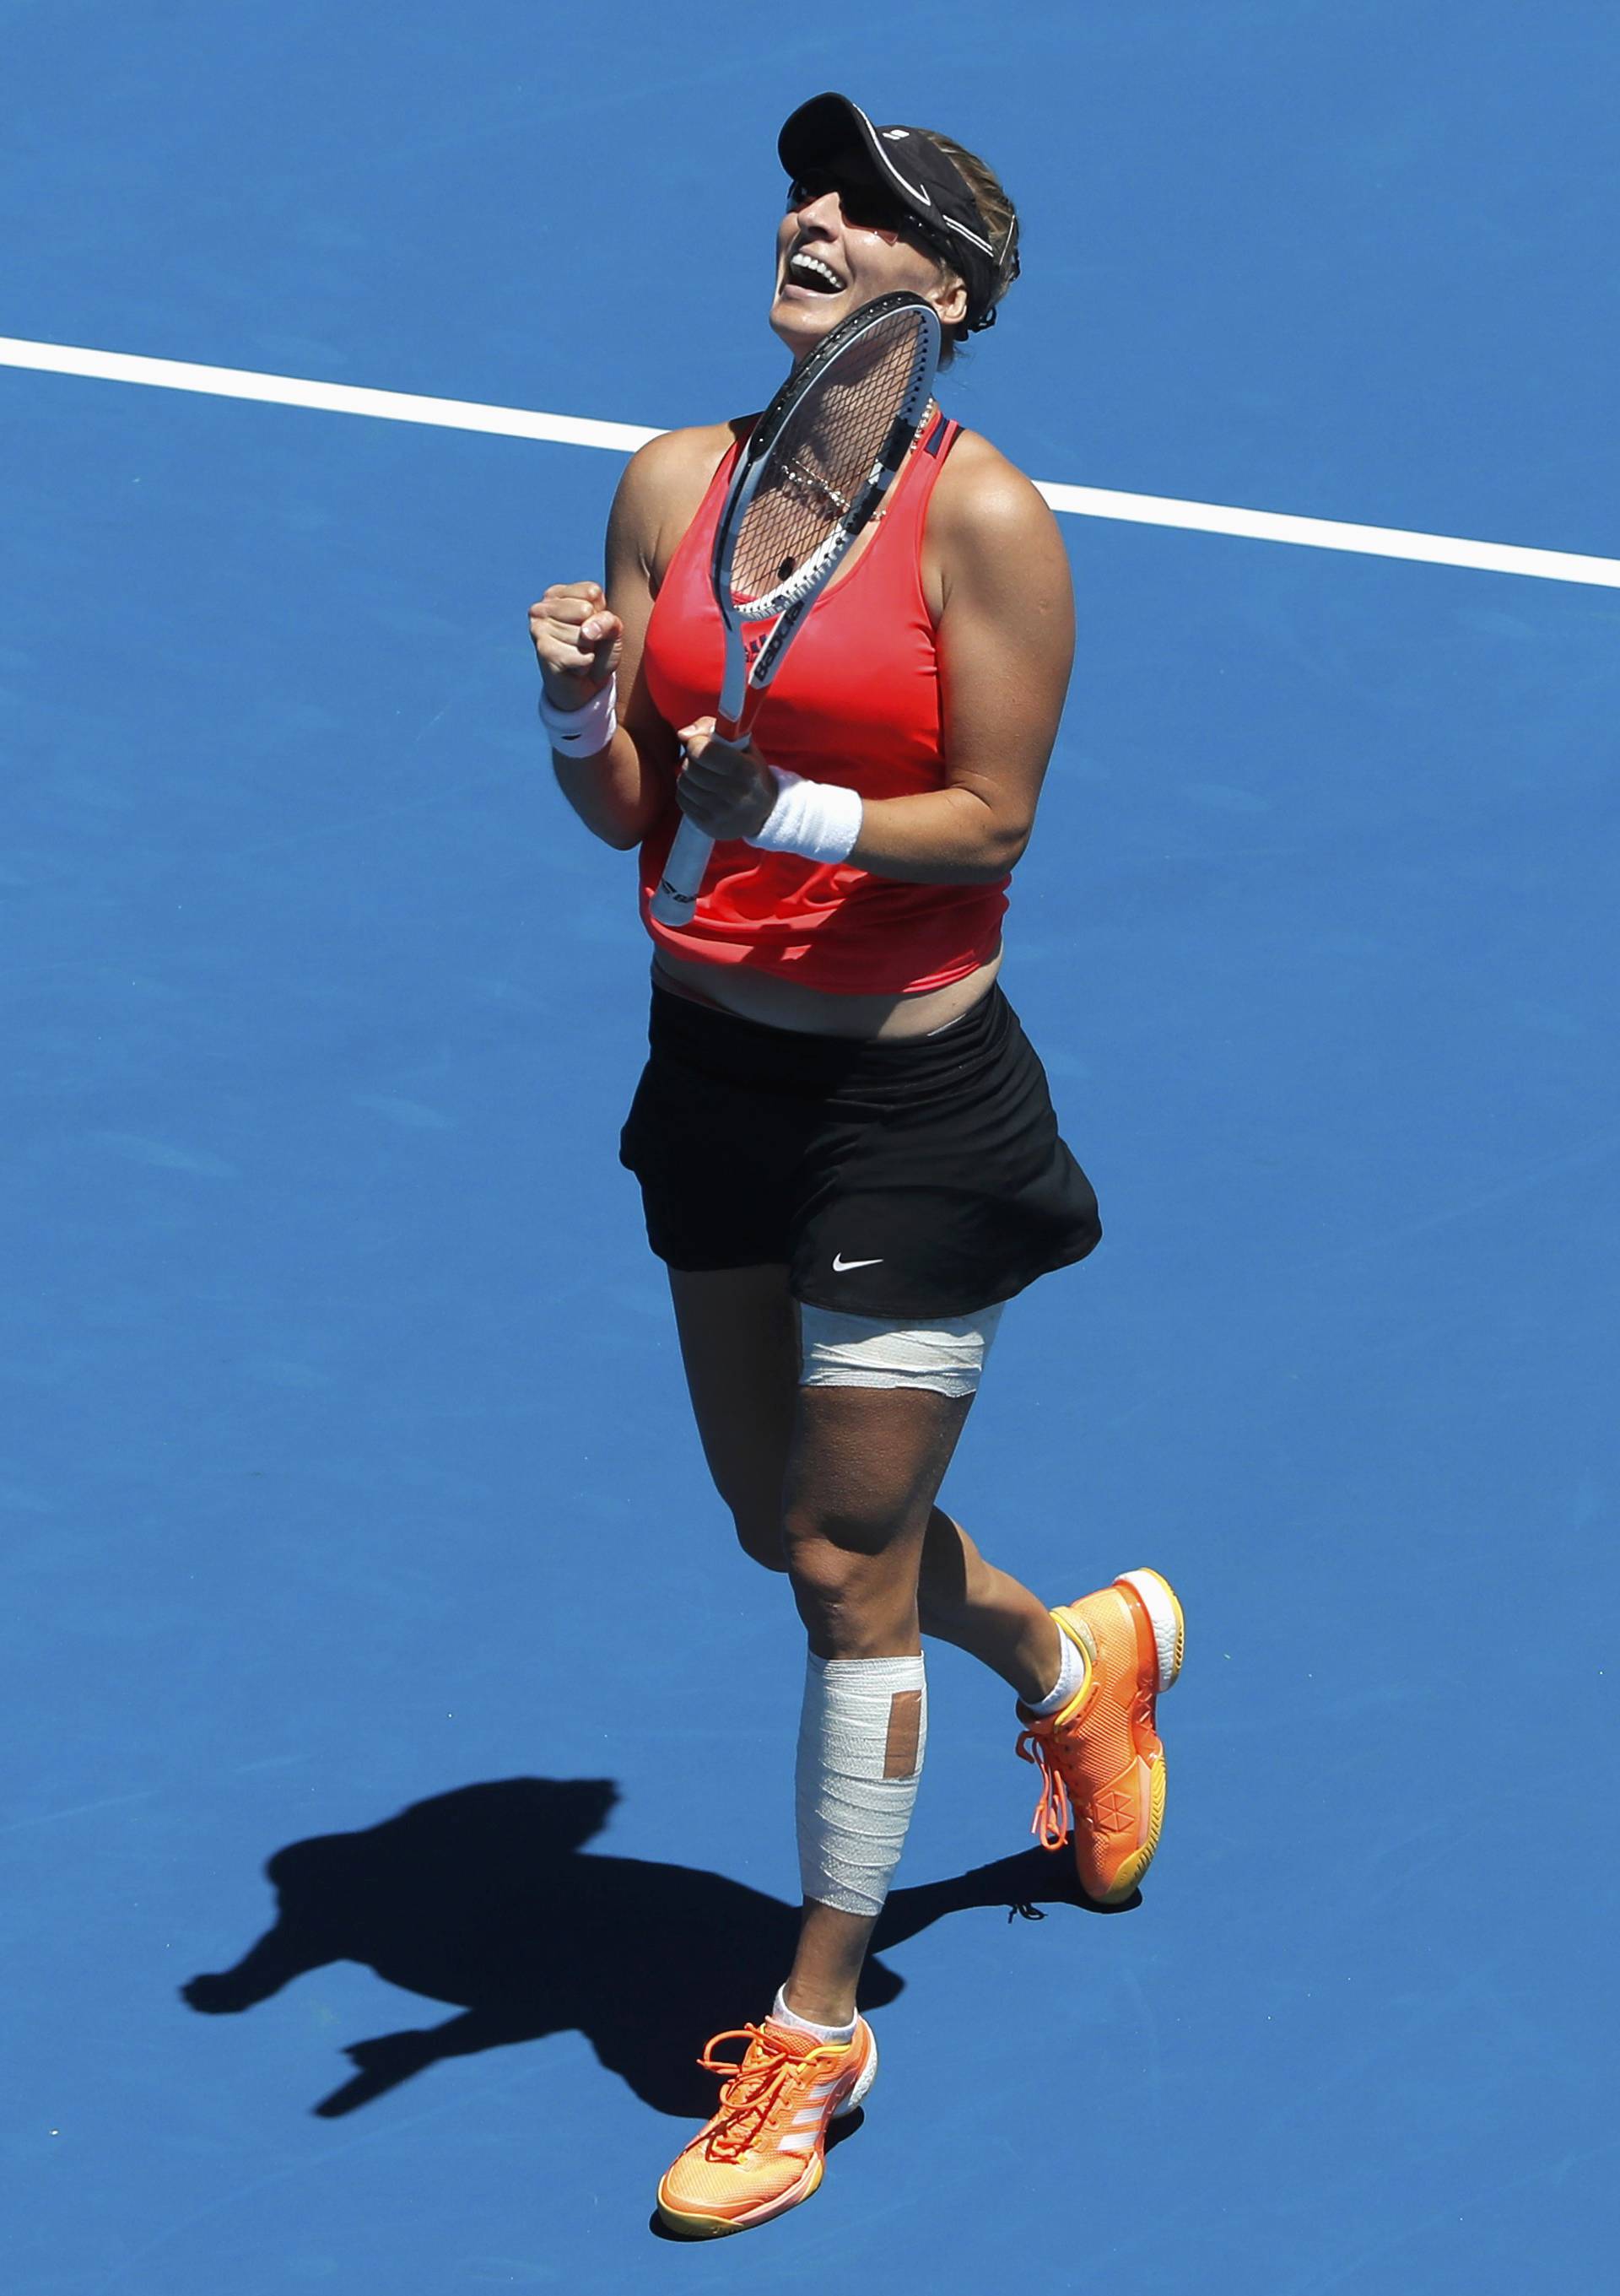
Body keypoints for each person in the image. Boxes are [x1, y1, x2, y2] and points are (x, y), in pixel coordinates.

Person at [526, 92, 1185, 2239]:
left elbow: (990, 821)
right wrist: (573, 716)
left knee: (833, 1566)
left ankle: (811, 2027)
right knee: (784, 1523)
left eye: (871, 215)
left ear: (946, 300)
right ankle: (1079, 1659)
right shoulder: (672, 485)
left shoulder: (989, 526)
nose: (814, 219)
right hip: (708, 1074)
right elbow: (635, 813)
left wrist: (781, 809)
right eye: (811, 195)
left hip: (914, 1107)